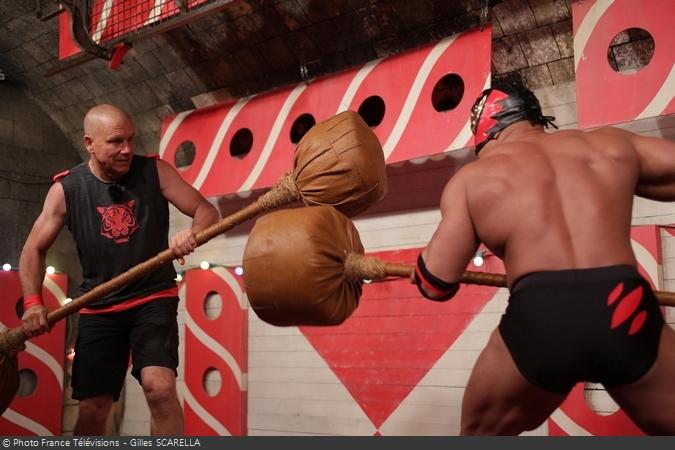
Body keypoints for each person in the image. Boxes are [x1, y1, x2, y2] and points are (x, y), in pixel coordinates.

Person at [413, 82, 675, 435]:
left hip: (542, 316)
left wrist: (421, 269)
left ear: (484, 129)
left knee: (478, 434)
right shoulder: (610, 144)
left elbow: (436, 282)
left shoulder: (472, 179)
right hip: (622, 305)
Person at [19, 104, 219, 435]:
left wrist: (192, 234)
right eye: (115, 142)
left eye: (130, 139)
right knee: (93, 408)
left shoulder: (156, 172)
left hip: (153, 297)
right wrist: (32, 302)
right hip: (99, 307)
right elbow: (33, 248)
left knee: (160, 389)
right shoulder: (66, 190)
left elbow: (205, 210)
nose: (127, 149)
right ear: (89, 143)